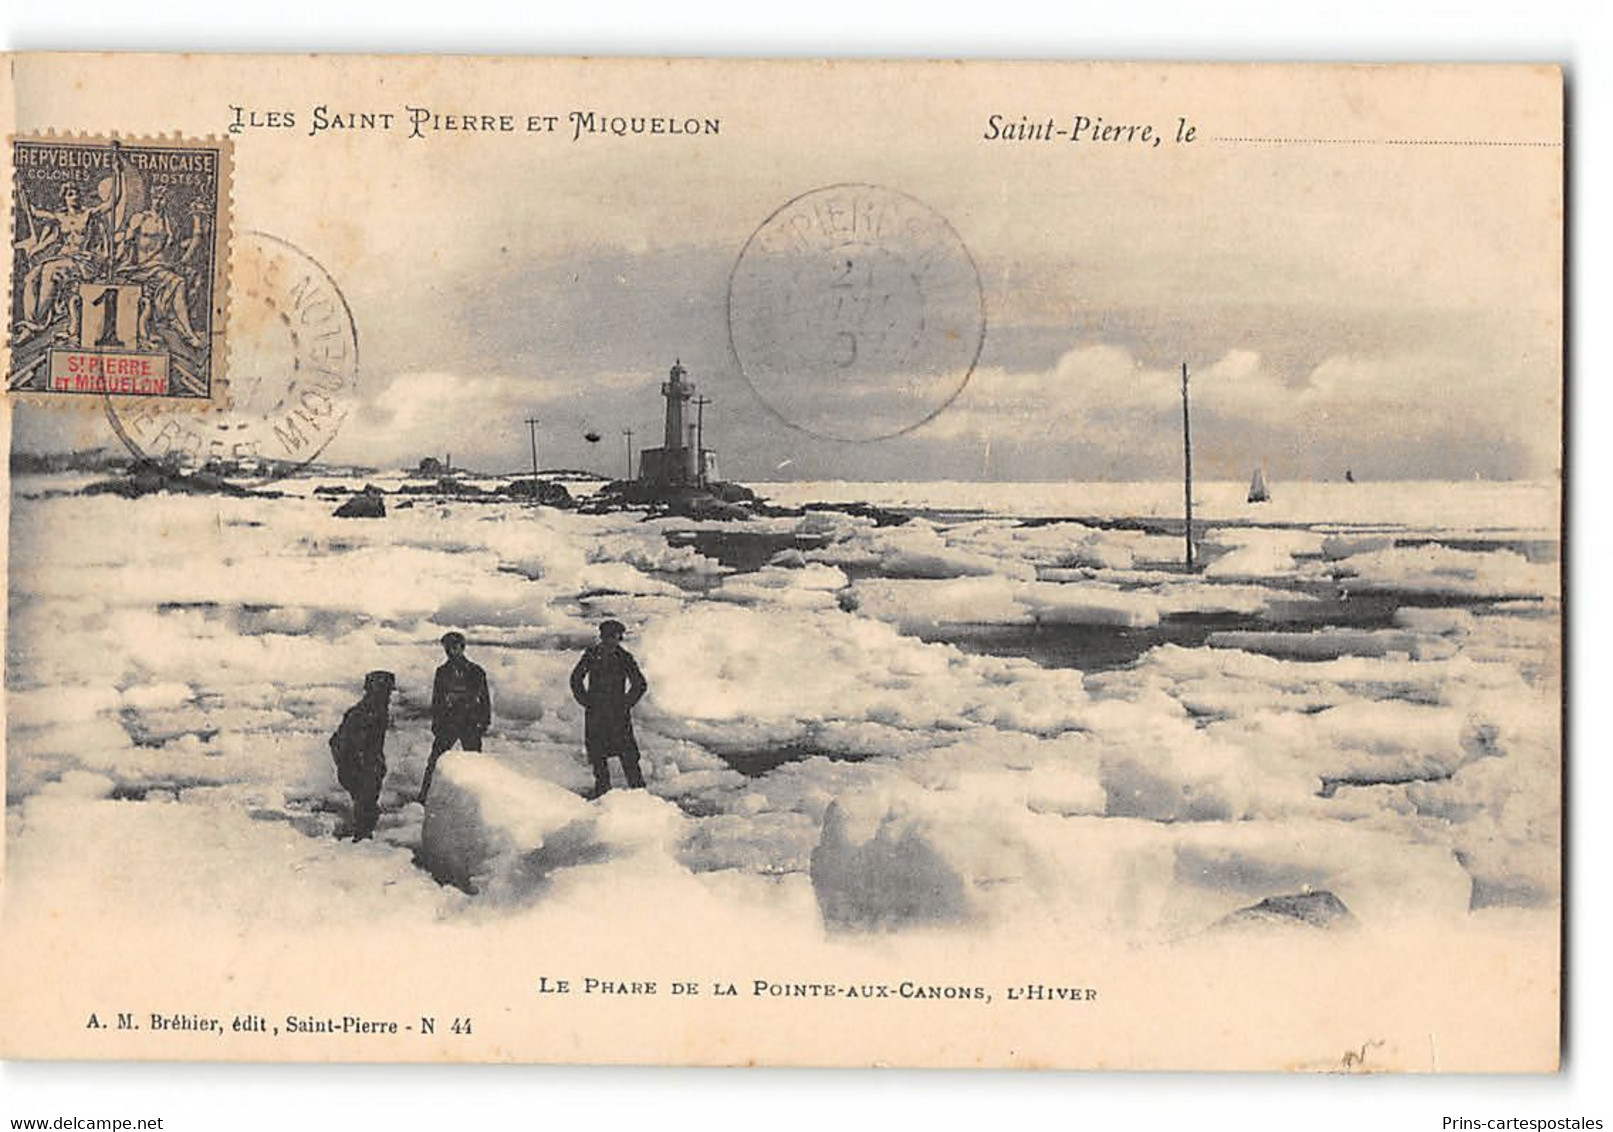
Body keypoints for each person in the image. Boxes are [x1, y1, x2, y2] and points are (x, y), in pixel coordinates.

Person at [569, 619, 649, 799]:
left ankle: (639, 793)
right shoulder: (592, 655)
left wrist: (625, 703)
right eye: (609, 637)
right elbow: (575, 679)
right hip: (599, 713)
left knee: (627, 756)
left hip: (615, 714)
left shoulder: (623, 657)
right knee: (599, 757)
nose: (612, 641)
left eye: (615, 637)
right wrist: (586, 700)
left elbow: (640, 684)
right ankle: (603, 794)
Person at [419, 631, 492, 803]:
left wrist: (485, 721)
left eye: (454, 647)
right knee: (435, 762)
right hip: (448, 724)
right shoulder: (442, 672)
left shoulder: (476, 671)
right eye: (447, 648)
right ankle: (425, 796)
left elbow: (485, 700)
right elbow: (437, 700)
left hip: (470, 724)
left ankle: (478, 798)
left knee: (475, 763)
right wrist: (436, 723)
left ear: (462, 648)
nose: (450, 651)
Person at [329, 670, 395, 841]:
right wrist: (357, 766)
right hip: (362, 768)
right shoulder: (365, 714)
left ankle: (362, 836)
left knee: (366, 807)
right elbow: (340, 742)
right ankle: (362, 844)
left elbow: (335, 742)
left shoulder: (375, 711)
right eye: (386, 692)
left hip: (365, 766)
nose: (388, 698)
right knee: (366, 809)